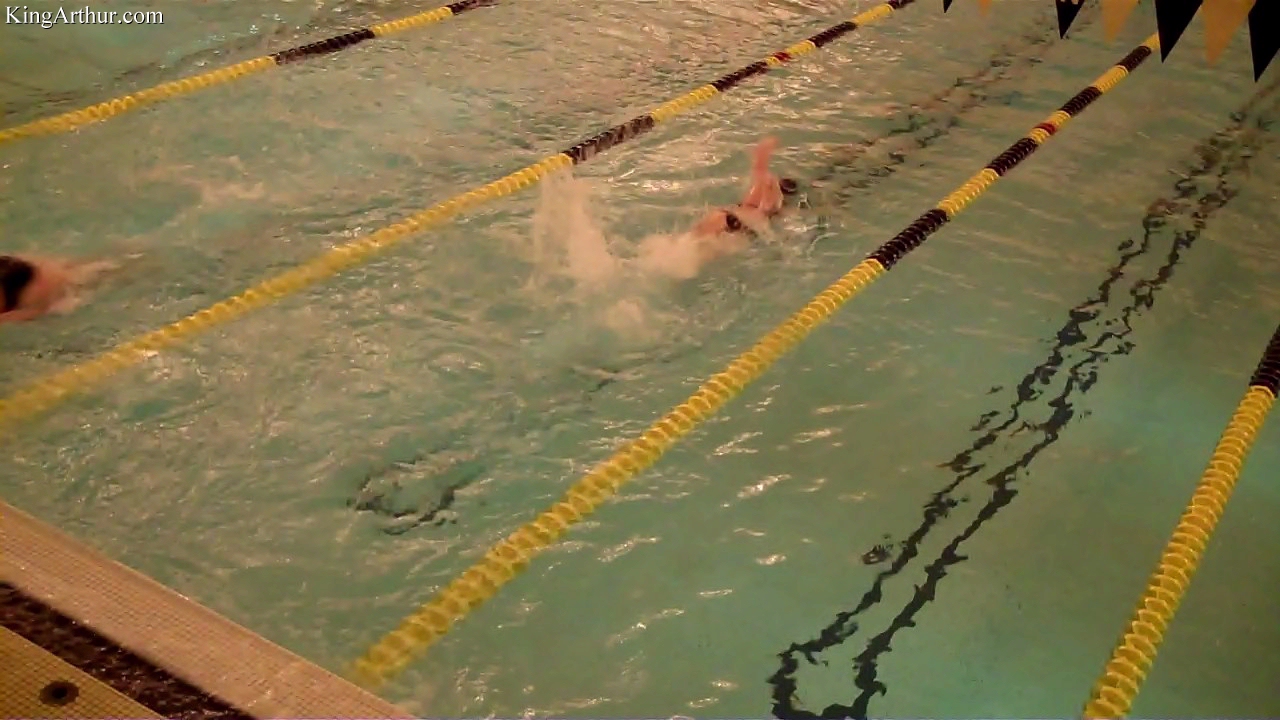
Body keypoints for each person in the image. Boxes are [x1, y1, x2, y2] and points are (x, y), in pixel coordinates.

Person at [687, 136, 799, 264]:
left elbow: (763, 177)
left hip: (728, 218)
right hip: (736, 225)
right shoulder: (771, 209)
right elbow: (764, 182)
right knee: (697, 255)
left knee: (690, 245)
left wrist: (762, 157)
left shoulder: (765, 200)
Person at [0, 254, 112, 324]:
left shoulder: (32, 297)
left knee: (105, 272)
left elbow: (34, 312)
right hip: (54, 270)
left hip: (72, 284)